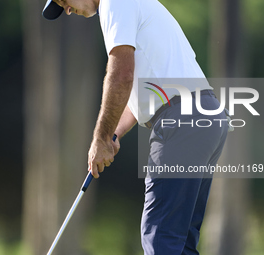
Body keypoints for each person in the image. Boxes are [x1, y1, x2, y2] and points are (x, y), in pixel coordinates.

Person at [42, 0, 228, 254]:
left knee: (160, 238)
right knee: (180, 242)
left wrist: (101, 137)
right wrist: (112, 135)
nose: (67, 10)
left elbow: (121, 75)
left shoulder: (114, 3)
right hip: (205, 118)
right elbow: (138, 90)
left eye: (64, 0)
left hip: (181, 122)